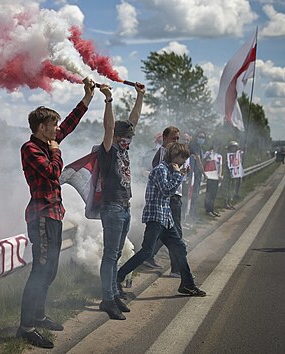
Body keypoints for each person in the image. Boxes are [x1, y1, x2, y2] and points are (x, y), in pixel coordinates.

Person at [17, 78, 96, 349]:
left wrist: (86, 99)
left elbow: (70, 125)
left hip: (53, 215)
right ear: (41, 127)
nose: (56, 129)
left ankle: (38, 316)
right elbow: (53, 172)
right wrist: (57, 151)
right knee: (41, 269)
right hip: (40, 216)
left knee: (49, 269)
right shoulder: (31, 149)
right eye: (52, 125)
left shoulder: (48, 143)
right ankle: (26, 326)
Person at [117, 143, 207, 299]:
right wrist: (179, 175)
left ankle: (188, 284)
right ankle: (118, 278)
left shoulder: (169, 170)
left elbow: (169, 188)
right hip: (156, 216)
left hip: (166, 218)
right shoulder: (160, 169)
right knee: (147, 252)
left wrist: (180, 174)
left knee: (179, 248)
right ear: (173, 156)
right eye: (181, 159)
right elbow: (166, 190)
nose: (182, 162)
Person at [97, 82, 146, 320]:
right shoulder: (108, 149)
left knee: (116, 254)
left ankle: (114, 293)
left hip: (124, 207)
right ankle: (107, 299)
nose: (129, 140)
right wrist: (108, 101)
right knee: (110, 255)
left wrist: (140, 96)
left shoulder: (124, 149)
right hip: (112, 208)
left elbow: (133, 121)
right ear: (116, 136)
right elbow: (108, 127)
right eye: (125, 136)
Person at [142, 126, 184, 278]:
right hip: (169, 198)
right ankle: (176, 269)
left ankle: (148, 255)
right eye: (174, 138)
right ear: (165, 139)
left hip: (175, 196)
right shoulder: (163, 154)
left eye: (178, 138)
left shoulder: (172, 153)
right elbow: (163, 178)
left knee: (167, 233)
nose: (176, 141)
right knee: (176, 234)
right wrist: (178, 174)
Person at [187, 131, 207, 221]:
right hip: (194, 175)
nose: (201, 139)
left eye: (203, 137)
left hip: (197, 175)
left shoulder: (200, 148)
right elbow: (198, 160)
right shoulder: (194, 146)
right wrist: (204, 173)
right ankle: (192, 215)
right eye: (200, 136)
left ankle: (194, 214)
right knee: (193, 195)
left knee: (195, 195)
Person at [203, 142, 223, 217]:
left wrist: (220, 175)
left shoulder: (219, 156)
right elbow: (203, 162)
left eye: (218, 145)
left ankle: (211, 209)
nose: (216, 146)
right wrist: (207, 156)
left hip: (215, 176)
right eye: (215, 144)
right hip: (209, 176)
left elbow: (220, 166)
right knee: (209, 193)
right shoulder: (208, 153)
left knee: (213, 194)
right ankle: (207, 210)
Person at [224, 141, 243, 209]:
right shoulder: (227, 155)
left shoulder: (237, 156)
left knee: (232, 189)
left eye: (235, 147)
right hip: (228, 174)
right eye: (232, 147)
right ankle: (226, 203)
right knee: (227, 189)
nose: (233, 149)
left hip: (234, 174)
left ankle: (230, 202)